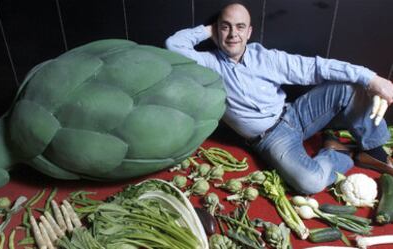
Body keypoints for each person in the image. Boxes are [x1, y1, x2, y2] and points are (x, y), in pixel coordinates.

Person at [165, 2, 393, 194]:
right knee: (310, 183)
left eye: (240, 27)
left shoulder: (265, 57)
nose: (233, 34)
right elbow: (173, 45)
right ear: (217, 31)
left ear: (249, 32)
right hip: (271, 139)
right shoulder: (209, 63)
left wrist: (372, 79)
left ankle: (374, 150)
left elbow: (316, 66)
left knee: (352, 87)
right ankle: (340, 152)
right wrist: (208, 30)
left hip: (295, 114)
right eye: (226, 27)